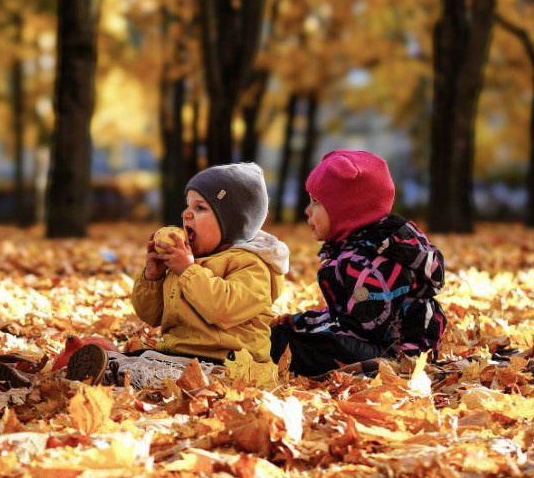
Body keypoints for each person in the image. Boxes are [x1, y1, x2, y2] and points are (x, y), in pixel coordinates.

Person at [67, 163, 290, 388]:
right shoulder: (186, 259)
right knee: (143, 358)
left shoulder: (252, 266)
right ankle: (109, 367)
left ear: (232, 222)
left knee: (164, 373)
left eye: (200, 208)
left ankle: (118, 374)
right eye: (187, 206)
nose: (186, 214)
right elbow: (151, 316)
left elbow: (223, 308)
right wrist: (152, 277)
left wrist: (188, 270)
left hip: (228, 364)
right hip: (179, 355)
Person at [271, 149, 446, 377]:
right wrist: (302, 321)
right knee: (289, 336)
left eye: (316, 203)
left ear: (347, 210)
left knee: (284, 345)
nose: (307, 210)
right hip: (380, 342)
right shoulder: (365, 248)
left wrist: (304, 332)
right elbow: (350, 316)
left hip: (393, 357)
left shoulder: (369, 265)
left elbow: (361, 330)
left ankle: (248, 352)